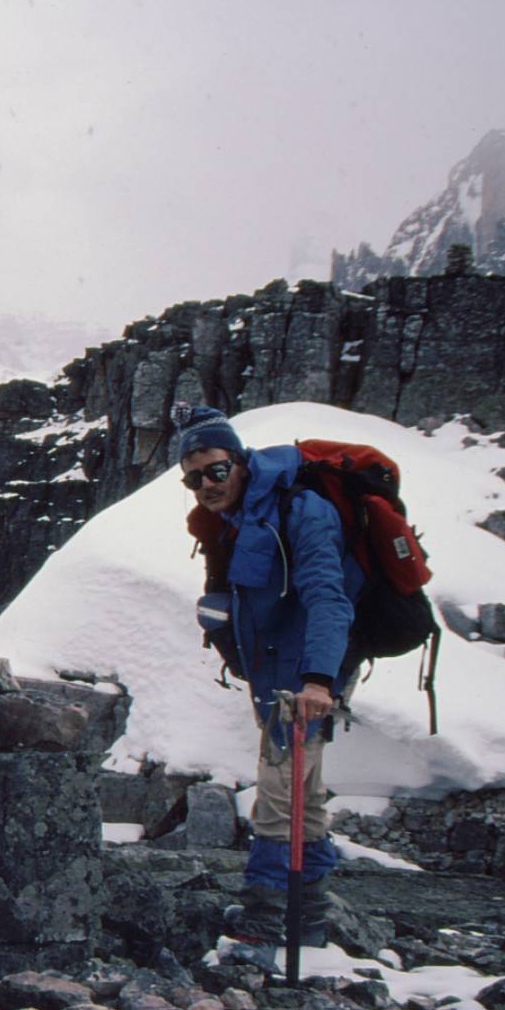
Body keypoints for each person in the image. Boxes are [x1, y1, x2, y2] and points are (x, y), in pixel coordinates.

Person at [174, 407, 364, 969]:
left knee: (278, 798)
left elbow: (329, 596)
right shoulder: (236, 522)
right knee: (302, 797)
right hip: (277, 677)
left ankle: (262, 924)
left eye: (215, 469)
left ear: (239, 460)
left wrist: (318, 681)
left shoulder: (302, 510)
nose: (206, 485)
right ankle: (305, 919)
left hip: (305, 680)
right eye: (194, 478)